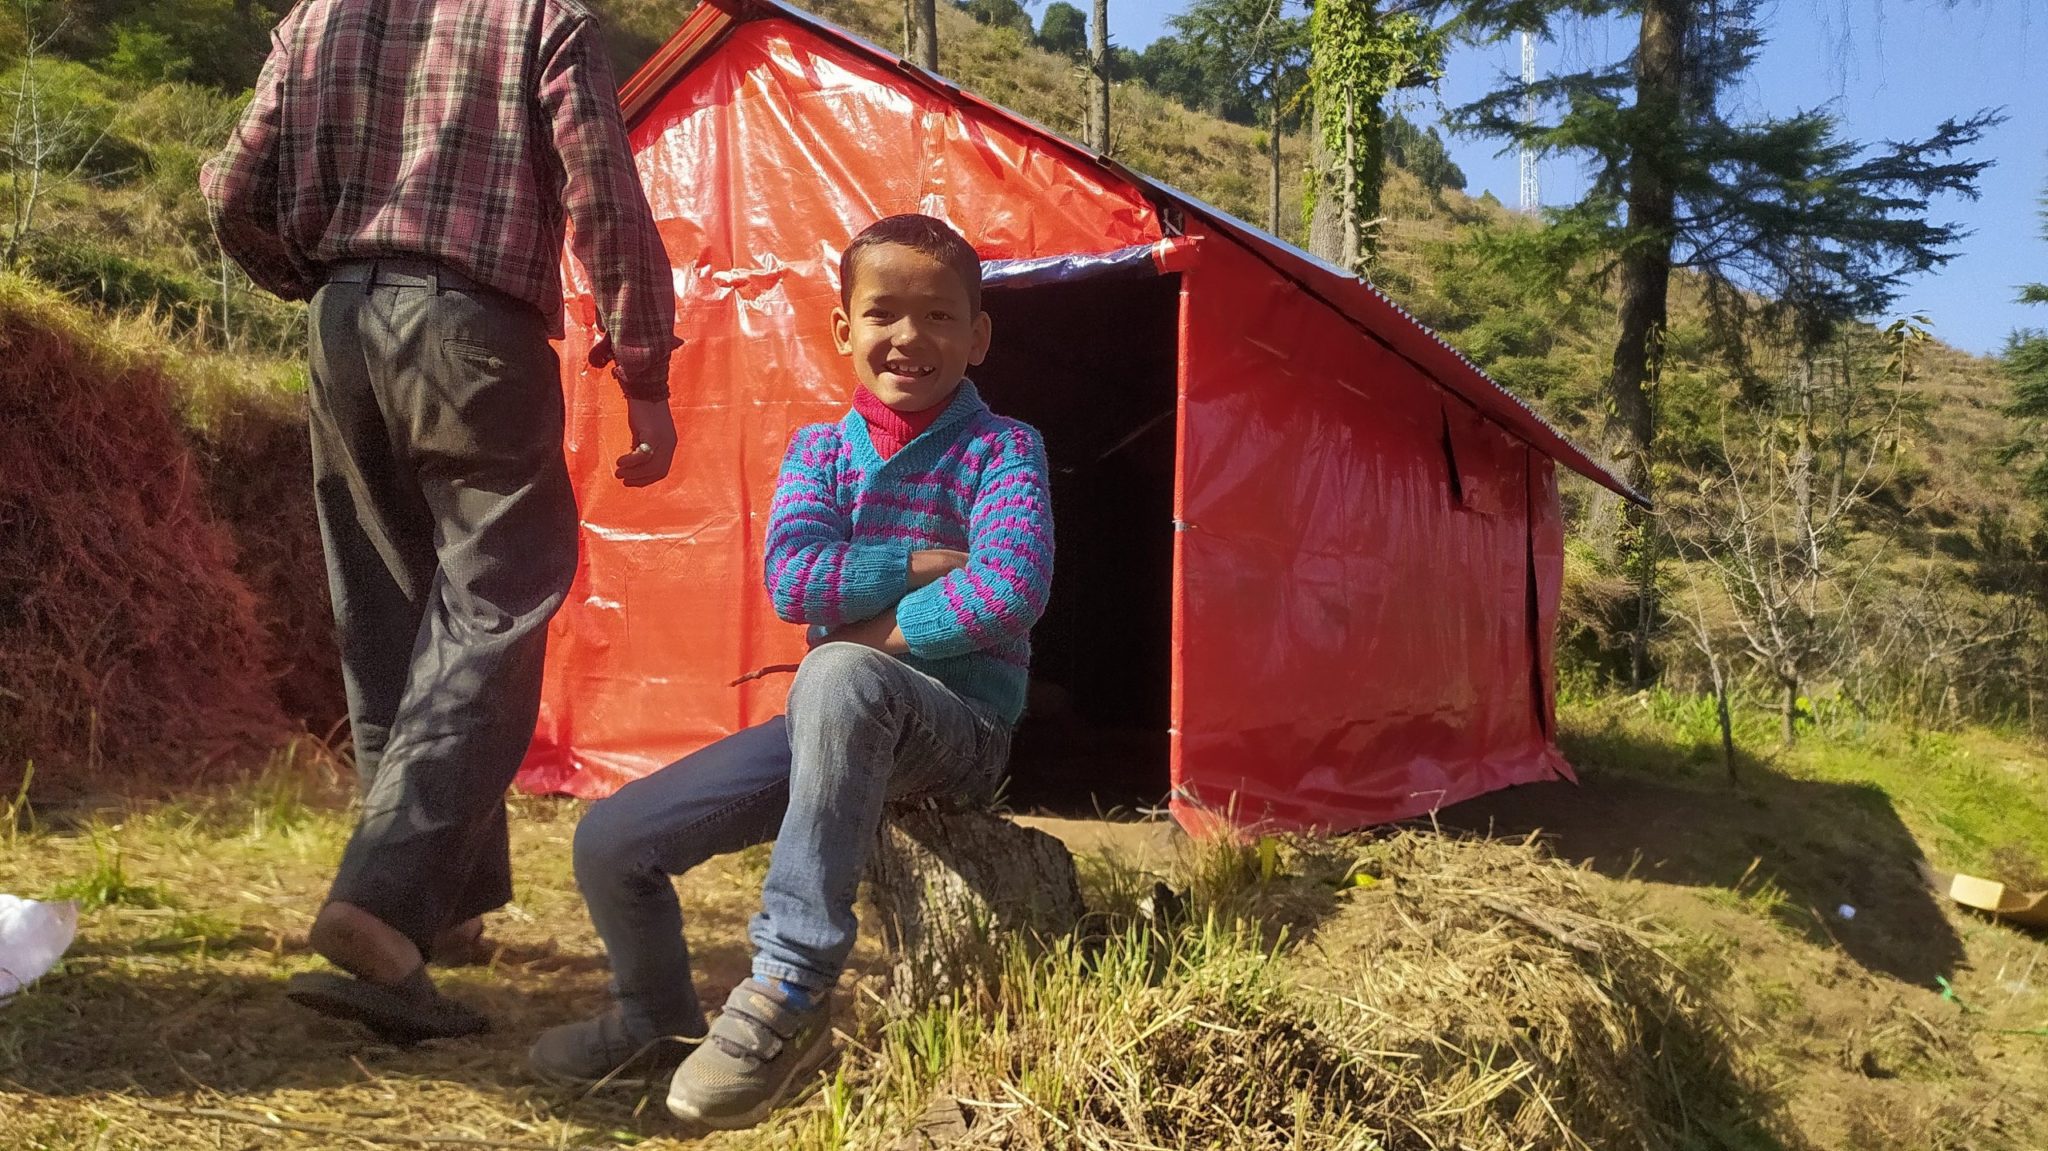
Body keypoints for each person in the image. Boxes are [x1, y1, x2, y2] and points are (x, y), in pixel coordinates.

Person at [200, 0, 680, 1043]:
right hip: (472, 327)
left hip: (341, 324)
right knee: (492, 607)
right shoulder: (541, 17)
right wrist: (644, 368)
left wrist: (312, 275)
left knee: (387, 615)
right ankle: (379, 909)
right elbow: (603, 193)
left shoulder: (314, 18)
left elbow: (235, 187)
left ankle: (437, 907)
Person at [527, 214, 1054, 1130]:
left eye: (939, 316)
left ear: (979, 335)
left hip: (960, 729)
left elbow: (1010, 586)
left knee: (839, 673)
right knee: (610, 841)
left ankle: (787, 988)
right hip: (836, 716)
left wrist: (863, 632)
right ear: (843, 329)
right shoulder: (820, 450)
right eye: (883, 312)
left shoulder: (1004, 449)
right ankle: (654, 1013)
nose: (909, 337)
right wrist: (925, 563)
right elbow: (792, 578)